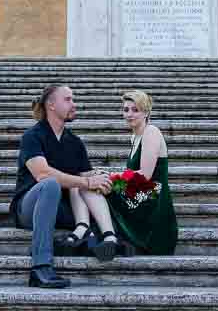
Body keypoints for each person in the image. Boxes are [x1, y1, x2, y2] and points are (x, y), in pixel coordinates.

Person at [11, 85, 116, 290]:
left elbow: (87, 179)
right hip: (29, 207)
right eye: (68, 99)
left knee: (87, 184)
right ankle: (40, 267)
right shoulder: (33, 136)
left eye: (73, 99)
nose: (74, 104)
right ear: (51, 104)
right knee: (50, 183)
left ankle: (104, 235)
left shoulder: (75, 142)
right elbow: (42, 173)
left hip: (62, 210)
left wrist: (104, 181)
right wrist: (85, 181)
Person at [107, 90, 178, 256]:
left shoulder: (151, 132)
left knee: (103, 186)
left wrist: (112, 177)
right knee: (98, 185)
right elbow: (133, 180)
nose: (129, 114)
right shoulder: (134, 137)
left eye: (135, 110)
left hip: (154, 204)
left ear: (146, 112)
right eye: (126, 110)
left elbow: (144, 176)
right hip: (141, 196)